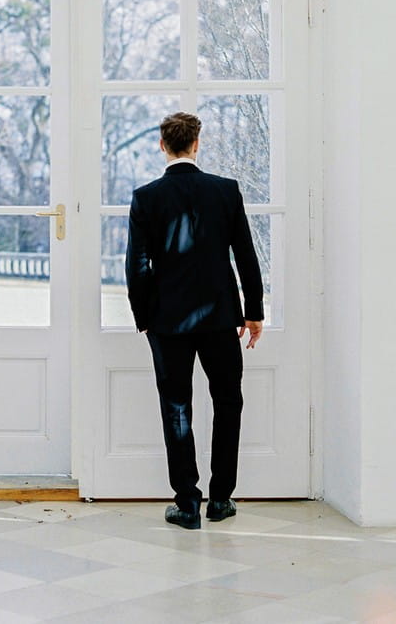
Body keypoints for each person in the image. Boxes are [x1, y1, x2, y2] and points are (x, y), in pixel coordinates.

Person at [125, 111, 264, 530]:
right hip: (221, 318)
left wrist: (144, 317)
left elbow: (137, 266)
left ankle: (187, 504)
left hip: (168, 323)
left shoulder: (146, 197)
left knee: (176, 408)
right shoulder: (225, 191)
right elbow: (244, 253)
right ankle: (221, 499)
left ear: (163, 146)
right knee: (228, 402)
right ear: (197, 143)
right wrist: (253, 311)